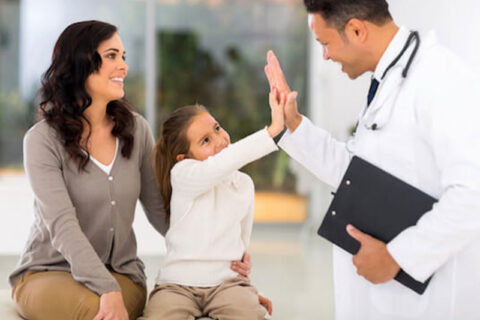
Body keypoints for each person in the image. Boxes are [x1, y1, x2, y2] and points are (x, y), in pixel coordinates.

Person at [9, 20, 251, 320]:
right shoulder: (42, 140)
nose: (123, 66)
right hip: (49, 272)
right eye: (112, 56)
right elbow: (62, 226)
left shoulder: (136, 130)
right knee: (95, 310)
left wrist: (225, 270)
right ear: (80, 63)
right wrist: (106, 289)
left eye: (123, 56)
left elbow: (164, 213)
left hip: (122, 274)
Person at [264, 0, 480, 319]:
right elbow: (356, 173)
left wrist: (398, 257)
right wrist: (292, 125)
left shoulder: (440, 78)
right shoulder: (391, 81)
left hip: (428, 303)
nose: (325, 55)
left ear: (356, 30)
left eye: (325, 43)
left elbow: (472, 193)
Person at [139, 92, 287, 319]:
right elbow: (216, 167)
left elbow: (240, 244)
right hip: (177, 285)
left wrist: (246, 290)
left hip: (226, 284)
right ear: (184, 157)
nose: (219, 140)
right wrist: (272, 131)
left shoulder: (243, 184)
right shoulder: (182, 174)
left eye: (217, 128)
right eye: (205, 141)